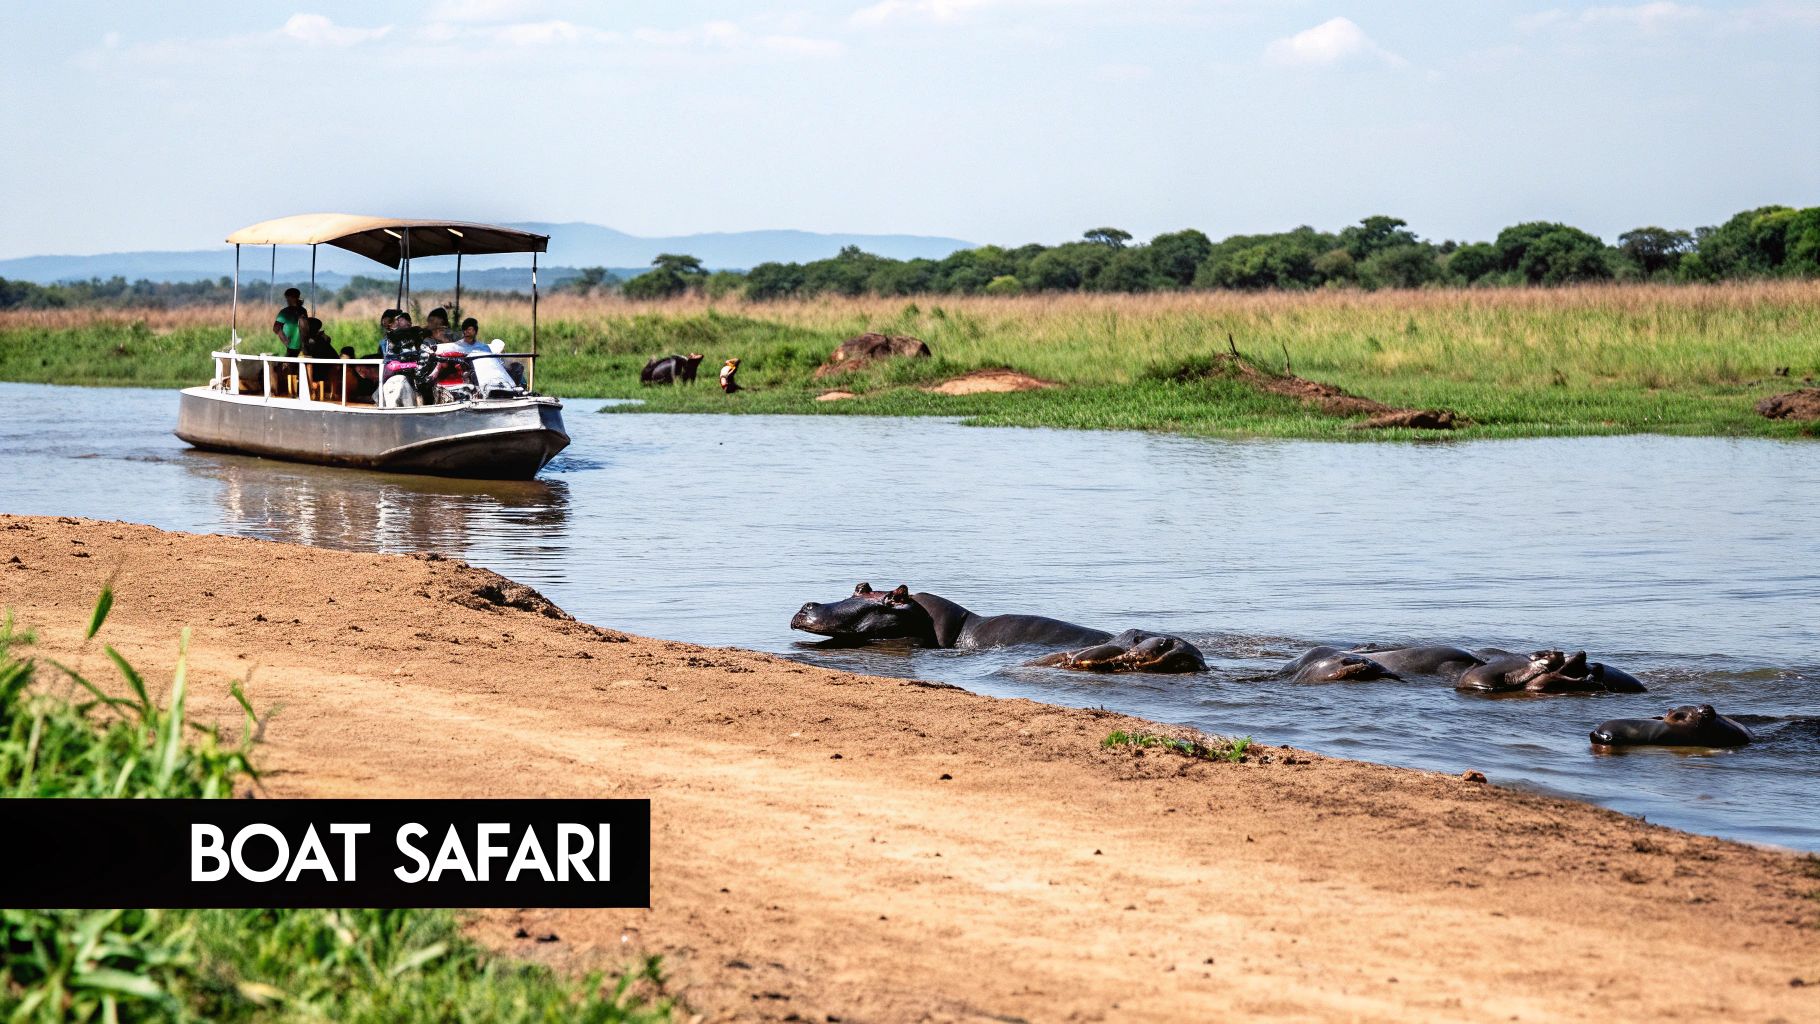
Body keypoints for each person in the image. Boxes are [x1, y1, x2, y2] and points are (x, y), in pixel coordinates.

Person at [271, 288, 306, 355]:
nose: (287, 300)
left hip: (301, 346)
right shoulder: (285, 312)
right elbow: (276, 328)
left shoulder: (302, 311)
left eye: (288, 298)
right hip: (291, 348)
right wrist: (286, 342)